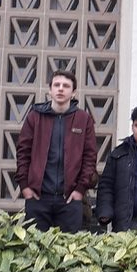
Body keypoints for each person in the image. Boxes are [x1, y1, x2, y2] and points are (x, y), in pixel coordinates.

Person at [15, 70, 97, 233]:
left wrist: (80, 190)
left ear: (73, 92)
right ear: (50, 90)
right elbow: (23, 153)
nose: (60, 89)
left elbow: (90, 157)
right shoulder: (35, 116)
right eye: (56, 85)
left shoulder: (83, 119)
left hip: (70, 199)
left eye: (66, 86)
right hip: (38, 197)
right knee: (35, 250)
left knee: (68, 253)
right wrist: (25, 186)